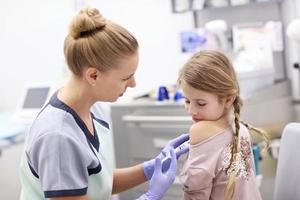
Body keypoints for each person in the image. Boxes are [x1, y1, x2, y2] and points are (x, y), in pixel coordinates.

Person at [19, 7, 189, 200]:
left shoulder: (93, 107)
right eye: (126, 77)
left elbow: (97, 181)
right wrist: (150, 197)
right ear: (93, 75)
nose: (134, 84)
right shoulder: (58, 137)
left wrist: (151, 167)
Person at [177, 50, 269, 200]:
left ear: (227, 100)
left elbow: (196, 195)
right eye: (187, 101)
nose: (191, 110)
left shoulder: (200, 131)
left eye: (201, 103)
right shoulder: (241, 128)